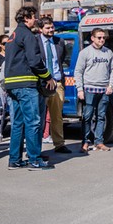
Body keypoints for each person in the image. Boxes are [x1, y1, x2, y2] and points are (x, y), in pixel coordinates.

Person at [4, 6, 54, 170]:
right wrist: (47, 76)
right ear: (26, 18)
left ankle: (15, 159)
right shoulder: (28, 35)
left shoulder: (13, 35)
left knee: (18, 123)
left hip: (12, 85)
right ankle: (35, 159)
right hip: (26, 85)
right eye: (34, 17)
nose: (36, 20)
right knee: (33, 122)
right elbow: (34, 61)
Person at [74, 27, 113, 153]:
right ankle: (85, 142)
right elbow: (78, 71)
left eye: (104, 37)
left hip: (104, 90)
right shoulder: (85, 53)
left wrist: (111, 86)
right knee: (87, 117)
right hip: (89, 89)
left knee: (101, 116)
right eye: (99, 37)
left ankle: (99, 142)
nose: (102, 40)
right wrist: (80, 89)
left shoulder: (108, 53)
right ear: (92, 38)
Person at [37, 18, 70, 154]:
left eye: (52, 27)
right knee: (38, 116)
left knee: (57, 116)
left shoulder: (59, 42)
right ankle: (35, 148)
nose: (51, 30)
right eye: (47, 28)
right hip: (41, 84)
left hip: (57, 83)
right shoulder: (35, 42)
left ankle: (59, 144)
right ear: (40, 29)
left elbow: (61, 59)